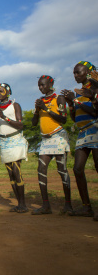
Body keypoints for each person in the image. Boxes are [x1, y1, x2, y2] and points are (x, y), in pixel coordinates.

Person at [31, 75, 73, 215]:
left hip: (58, 136)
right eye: (39, 85)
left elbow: (63, 119)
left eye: (43, 85)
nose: (41, 88)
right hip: (45, 140)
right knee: (41, 169)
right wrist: (37, 110)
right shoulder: (39, 101)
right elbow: (33, 123)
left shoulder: (59, 99)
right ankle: (45, 205)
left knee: (62, 170)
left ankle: (68, 205)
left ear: (51, 84)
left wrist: (46, 109)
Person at [62, 61, 98, 218]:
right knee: (77, 169)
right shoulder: (79, 92)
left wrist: (76, 101)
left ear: (89, 72)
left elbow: (96, 111)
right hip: (83, 133)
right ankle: (86, 207)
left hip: (95, 128)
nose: (76, 75)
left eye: (78, 72)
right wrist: (71, 104)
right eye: (74, 73)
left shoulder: (95, 89)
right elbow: (75, 118)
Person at [0, 83, 28, 213]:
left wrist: (4, 117)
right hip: (4, 141)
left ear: (8, 92)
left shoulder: (15, 106)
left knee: (17, 171)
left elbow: (20, 124)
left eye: (1, 91)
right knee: (11, 174)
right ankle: (19, 203)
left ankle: (23, 204)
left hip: (15, 139)